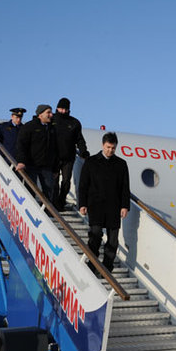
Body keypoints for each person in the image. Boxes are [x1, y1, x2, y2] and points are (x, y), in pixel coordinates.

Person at [78, 132, 130, 273]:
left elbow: (125, 187)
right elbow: (83, 185)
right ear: (103, 145)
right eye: (108, 147)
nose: (110, 150)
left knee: (113, 240)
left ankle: (107, 268)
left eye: (113, 148)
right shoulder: (91, 162)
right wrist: (82, 204)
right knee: (95, 236)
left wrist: (125, 206)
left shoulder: (121, 164)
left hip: (114, 206)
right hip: (96, 205)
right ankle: (93, 264)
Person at [15, 104, 59, 201]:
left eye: (51, 112)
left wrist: (56, 168)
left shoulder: (52, 129)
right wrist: (21, 161)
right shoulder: (29, 126)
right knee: (30, 189)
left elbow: (55, 150)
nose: (51, 115)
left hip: (47, 166)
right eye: (48, 112)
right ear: (40, 114)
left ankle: (48, 213)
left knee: (49, 190)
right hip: (31, 165)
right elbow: (21, 145)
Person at [53, 97, 89, 211]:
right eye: (61, 108)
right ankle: (53, 202)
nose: (63, 111)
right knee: (54, 180)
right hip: (53, 156)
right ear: (57, 108)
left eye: (65, 109)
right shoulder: (51, 120)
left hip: (68, 157)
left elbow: (80, 139)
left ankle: (61, 201)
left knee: (66, 181)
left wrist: (83, 151)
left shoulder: (74, 123)